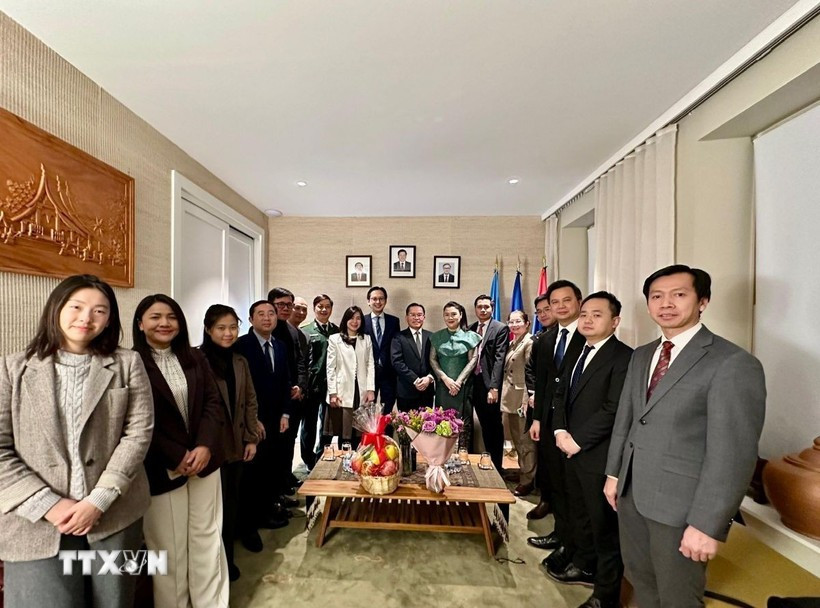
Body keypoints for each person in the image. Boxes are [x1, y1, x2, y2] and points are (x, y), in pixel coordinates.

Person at [604, 265, 766, 608]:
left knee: (678, 597)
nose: (666, 304)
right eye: (657, 296)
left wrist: (708, 524)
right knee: (641, 583)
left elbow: (733, 454)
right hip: (632, 496)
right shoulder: (642, 355)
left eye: (679, 295)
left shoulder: (732, 363)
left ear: (702, 301)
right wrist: (614, 474)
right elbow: (627, 420)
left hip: (681, 508)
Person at [0, 275, 153, 608]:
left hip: (117, 515)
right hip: (33, 521)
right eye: (77, 307)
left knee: (115, 601)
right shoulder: (12, 368)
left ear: (109, 319)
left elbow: (138, 432)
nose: (87, 318)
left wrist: (98, 499)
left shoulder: (128, 362)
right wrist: (48, 505)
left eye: (99, 310)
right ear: (56, 309)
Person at [133, 294, 229, 608]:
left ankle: (211, 603)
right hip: (161, 467)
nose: (164, 323)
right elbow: (137, 420)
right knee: (168, 547)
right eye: (155, 317)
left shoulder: (196, 357)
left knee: (207, 537)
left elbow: (213, 403)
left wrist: (204, 445)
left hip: (205, 461)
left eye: (171, 316)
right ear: (140, 324)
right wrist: (175, 456)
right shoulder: (130, 362)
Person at [547, 292, 633, 608]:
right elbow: (560, 394)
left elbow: (614, 408)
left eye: (597, 315)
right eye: (584, 314)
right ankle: (583, 563)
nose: (587, 320)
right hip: (568, 446)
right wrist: (559, 430)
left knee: (604, 526)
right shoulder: (578, 350)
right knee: (579, 513)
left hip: (598, 454)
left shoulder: (624, 357)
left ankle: (606, 594)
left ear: (615, 321)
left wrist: (578, 440)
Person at [526, 280, 585, 575]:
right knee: (556, 482)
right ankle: (561, 535)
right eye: (554, 302)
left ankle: (575, 546)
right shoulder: (546, 340)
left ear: (579, 302)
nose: (560, 307)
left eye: (566, 300)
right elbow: (543, 384)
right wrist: (537, 419)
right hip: (548, 423)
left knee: (575, 488)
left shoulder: (588, 335)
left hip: (576, 425)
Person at [200, 304, 260, 583]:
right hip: (210, 448)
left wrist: (251, 438)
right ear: (208, 329)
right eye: (221, 328)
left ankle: (227, 559)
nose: (228, 333)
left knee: (231, 502)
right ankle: (210, 564)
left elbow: (250, 401)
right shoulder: (197, 360)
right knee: (210, 510)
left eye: (233, 327)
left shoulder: (239, 361)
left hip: (237, 445)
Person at [235, 301, 293, 552]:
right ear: (251, 319)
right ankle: (248, 526)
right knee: (251, 474)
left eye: (271, 314)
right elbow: (241, 389)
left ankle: (267, 511)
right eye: (261, 314)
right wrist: (252, 419)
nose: (267, 318)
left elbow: (285, 381)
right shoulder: (241, 346)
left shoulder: (279, 346)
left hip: (275, 418)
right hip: (252, 420)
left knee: (270, 467)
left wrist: (285, 413)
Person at [268, 287, 308, 495]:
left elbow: (301, 362)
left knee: (288, 443)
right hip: (272, 400)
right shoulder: (267, 330)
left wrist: (300, 386)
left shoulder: (292, 331)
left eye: (288, 305)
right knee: (274, 448)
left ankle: (284, 480)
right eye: (281, 304)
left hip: (292, 398)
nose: (286, 308)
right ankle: (276, 490)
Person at [429, 302, 481, 449]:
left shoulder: (471, 336)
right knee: (441, 422)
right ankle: (442, 456)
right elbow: (432, 359)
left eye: (453, 314)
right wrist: (445, 379)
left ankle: (463, 456)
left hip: (463, 387)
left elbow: (473, 361)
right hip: (443, 387)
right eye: (446, 314)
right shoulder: (436, 337)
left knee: (463, 425)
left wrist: (458, 382)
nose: (450, 317)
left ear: (461, 315)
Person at [469, 295, 509, 471]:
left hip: (489, 385)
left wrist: (494, 387)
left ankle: (497, 467)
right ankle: (481, 462)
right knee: (481, 425)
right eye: (480, 307)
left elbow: (500, 359)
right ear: (475, 309)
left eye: (486, 306)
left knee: (493, 426)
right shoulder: (471, 328)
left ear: (492, 308)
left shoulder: (500, 328)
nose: (483, 310)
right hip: (473, 384)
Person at [325, 306, 375, 445]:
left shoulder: (366, 339)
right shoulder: (335, 339)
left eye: (358, 318)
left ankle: (358, 457)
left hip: (361, 389)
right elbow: (330, 368)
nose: (355, 321)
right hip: (342, 390)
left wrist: (370, 389)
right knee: (344, 431)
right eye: (351, 318)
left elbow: (370, 365)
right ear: (345, 320)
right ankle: (345, 457)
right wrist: (332, 392)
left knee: (360, 431)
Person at [301, 295, 340, 469]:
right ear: (314, 308)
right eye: (320, 306)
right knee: (308, 425)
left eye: (327, 306)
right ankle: (308, 459)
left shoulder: (337, 331)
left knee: (327, 425)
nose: (324, 310)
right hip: (311, 386)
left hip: (331, 386)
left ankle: (321, 455)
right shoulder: (305, 331)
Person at [501, 310, 536, 496]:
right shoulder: (514, 342)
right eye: (511, 322)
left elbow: (531, 373)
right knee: (517, 439)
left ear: (527, 323)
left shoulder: (529, 343)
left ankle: (528, 480)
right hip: (511, 398)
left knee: (525, 443)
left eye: (518, 321)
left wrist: (525, 401)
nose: (514, 325)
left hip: (522, 400)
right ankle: (523, 471)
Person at [391, 302, 434, 411]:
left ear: (424, 317)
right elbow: (397, 362)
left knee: (427, 421)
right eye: (412, 315)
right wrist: (415, 380)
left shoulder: (432, 336)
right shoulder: (398, 337)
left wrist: (429, 378)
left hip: (427, 391)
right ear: (406, 317)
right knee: (406, 421)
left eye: (419, 315)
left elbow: (436, 361)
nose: (416, 318)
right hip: (406, 391)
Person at [363, 286, 400, 414]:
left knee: (387, 411)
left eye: (381, 298)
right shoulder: (362, 321)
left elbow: (396, 346)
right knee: (367, 411)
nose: (378, 302)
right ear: (368, 301)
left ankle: (385, 428)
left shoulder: (394, 321)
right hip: (368, 374)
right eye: (374, 299)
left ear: (385, 301)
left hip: (388, 373)